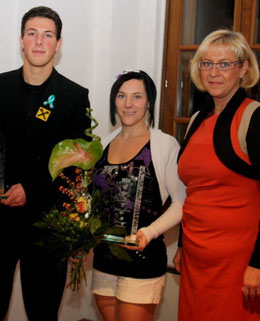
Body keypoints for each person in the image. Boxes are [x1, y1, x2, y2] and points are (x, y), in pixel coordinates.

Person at [0, 6, 91, 321]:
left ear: (58, 43)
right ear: (21, 40)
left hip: (45, 225)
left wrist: (31, 191)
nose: (38, 41)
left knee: (43, 313)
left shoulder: (74, 96)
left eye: (47, 35)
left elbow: (74, 169)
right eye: (32, 33)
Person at [173, 29, 260, 321]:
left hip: (240, 267)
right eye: (207, 63)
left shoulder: (258, 118)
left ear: (243, 69)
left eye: (225, 64)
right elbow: (194, 191)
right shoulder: (197, 120)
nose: (214, 72)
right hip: (195, 260)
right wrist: (181, 246)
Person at [90, 70, 186, 321]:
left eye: (136, 96)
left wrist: (148, 233)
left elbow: (180, 203)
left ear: (149, 102)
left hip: (143, 260)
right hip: (104, 260)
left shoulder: (165, 145)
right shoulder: (102, 144)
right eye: (121, 96)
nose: (128, 104)